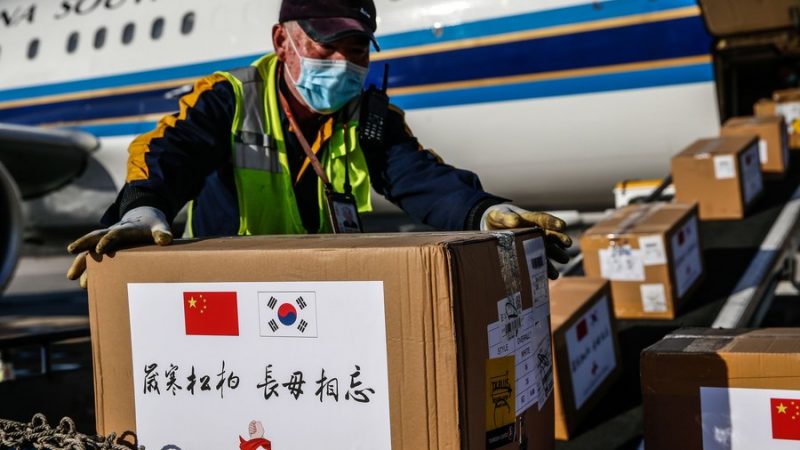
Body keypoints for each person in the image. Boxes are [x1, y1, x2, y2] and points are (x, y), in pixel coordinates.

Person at [66, 0, 571, 286]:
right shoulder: (230, 98)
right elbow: (167, 153)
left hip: (327, 290)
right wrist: (141, 213)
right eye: (324, 45)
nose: (341, 62)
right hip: (233, 291)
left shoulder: (370, 117)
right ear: (282, 41)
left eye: (355, 51)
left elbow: (420, 176)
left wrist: (485, 211)